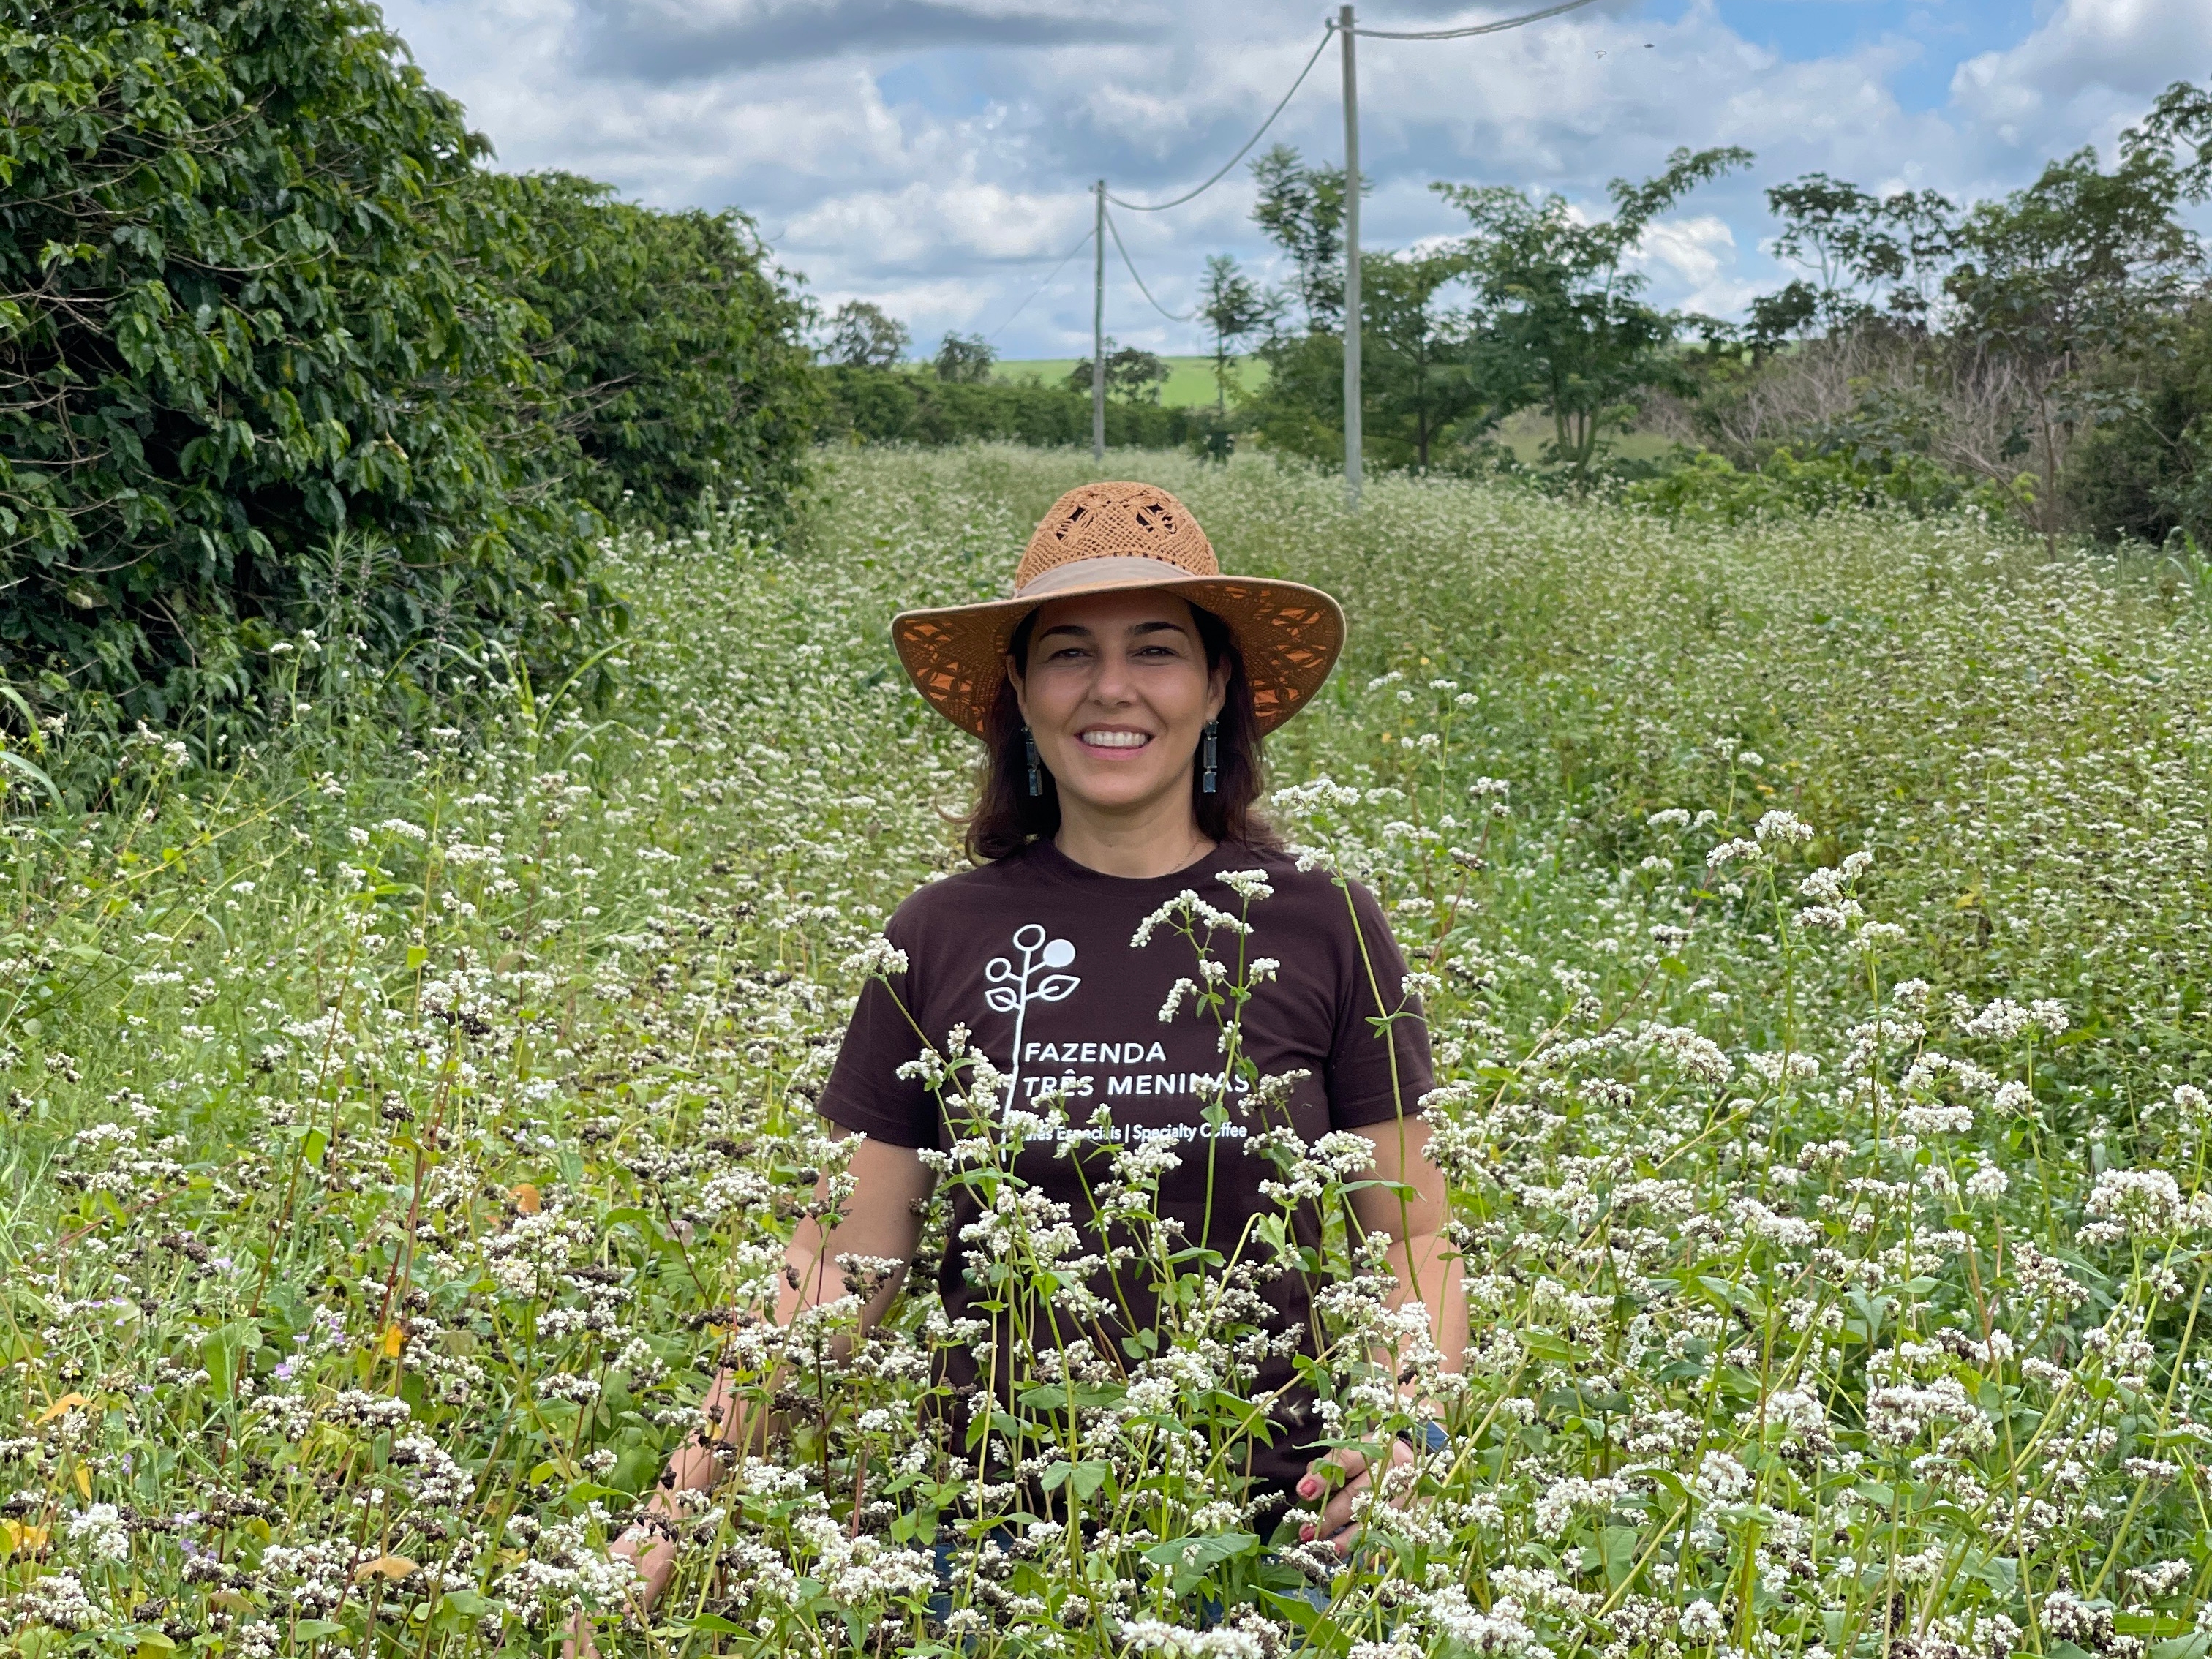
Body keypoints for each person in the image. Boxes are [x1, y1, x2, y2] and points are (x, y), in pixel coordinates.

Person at [580, 482, 1464, 1648]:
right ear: (1020, 699)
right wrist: (670, 1522)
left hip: (1278, 1542)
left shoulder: (1322, 924)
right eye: (1067, 654)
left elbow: (1412, 1237)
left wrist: (1407, 1448)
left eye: (1155, 649)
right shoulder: (942, 934)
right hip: (994, 1545)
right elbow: (843, 1264)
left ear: (1214, 691)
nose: (1112, 688)